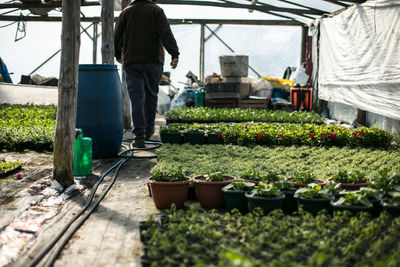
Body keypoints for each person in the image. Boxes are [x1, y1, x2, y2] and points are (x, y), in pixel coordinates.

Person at [114, 0, 179, 148]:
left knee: (136, 98)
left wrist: (117, 53)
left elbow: (117, 35)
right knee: (151, 95)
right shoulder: (156, 11)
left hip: (133, 62)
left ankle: (139, 135)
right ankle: (149, 129)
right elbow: (166, 33)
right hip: (153, 61)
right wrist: (174, 53)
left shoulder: (126, 12)